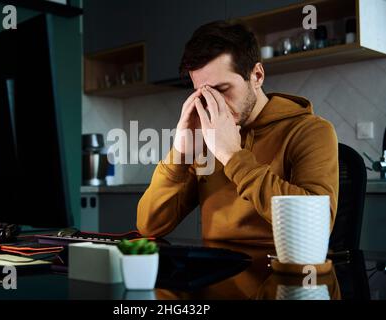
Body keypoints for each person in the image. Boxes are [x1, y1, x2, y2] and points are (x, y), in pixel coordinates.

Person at [137, 21, 339, 245]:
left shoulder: (311, 131)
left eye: (223, 90)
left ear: (257, 76)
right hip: (215, 275)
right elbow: (149, 226)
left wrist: (233, 157)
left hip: (281, 275)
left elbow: (317, 226)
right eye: (204, 94)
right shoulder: (205, 141)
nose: (214, 104)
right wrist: (180, 155)